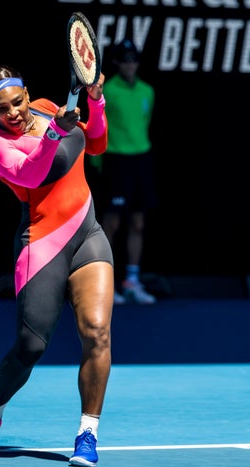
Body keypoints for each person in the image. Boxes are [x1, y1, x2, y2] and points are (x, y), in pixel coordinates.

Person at [0, 65, 111, 467]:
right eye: (2, 109)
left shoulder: (46, 108)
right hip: (43, 244)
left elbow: (96, 145)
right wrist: (56, 131)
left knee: (97, 333)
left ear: (28, 94)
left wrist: (95, 100)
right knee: (30, 348)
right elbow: (37, 172)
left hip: (89, 235)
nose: (14, 114)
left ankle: (87, 432)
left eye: (18, 102)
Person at [99, 38, 158, 305]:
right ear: (116, 63)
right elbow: (100, 128)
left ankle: (131, 282)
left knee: (138, 223)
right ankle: (105, 284)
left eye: (133, 59)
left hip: (141, 161)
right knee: (111, 224)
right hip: (116, 162)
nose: (130, 64)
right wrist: (101, 164)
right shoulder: (108, 91)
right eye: (125, 59)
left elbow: (144, 124)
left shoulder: (147, 91)